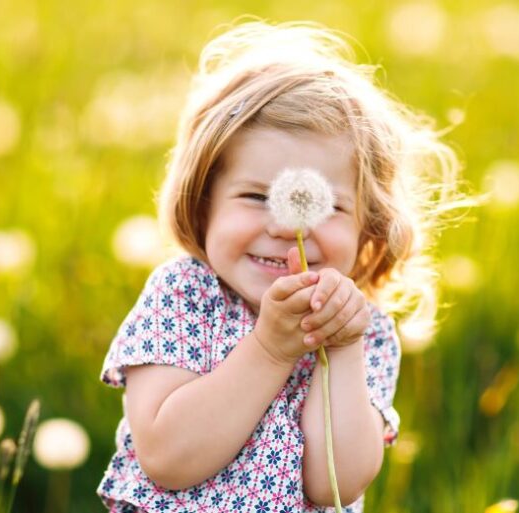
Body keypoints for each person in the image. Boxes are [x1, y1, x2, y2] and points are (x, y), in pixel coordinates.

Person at [97, 19, 462, 513]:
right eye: (254, 196)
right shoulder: (185, 295)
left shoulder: (361, 329)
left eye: (324, 205)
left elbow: (335, 485)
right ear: (204, 204)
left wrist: (342, 349)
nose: (285, 225)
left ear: (367, 226)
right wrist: (270, 350)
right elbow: (166, 457)